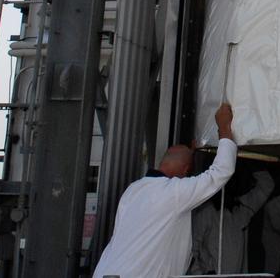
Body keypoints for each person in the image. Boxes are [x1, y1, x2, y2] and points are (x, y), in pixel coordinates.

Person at [92, 103, 236, 278]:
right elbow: (221, 172)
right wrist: (224, 129)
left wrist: (189, 154)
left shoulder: (133, 190)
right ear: (185, 171)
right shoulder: (174, 193)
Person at [188, 166, 276, 274]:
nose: (231, 187)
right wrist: (201, 274)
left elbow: (267, 186)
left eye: (233, 183)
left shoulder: (242, 210)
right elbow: (191, 249)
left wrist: (252, 162)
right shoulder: (206, 212)